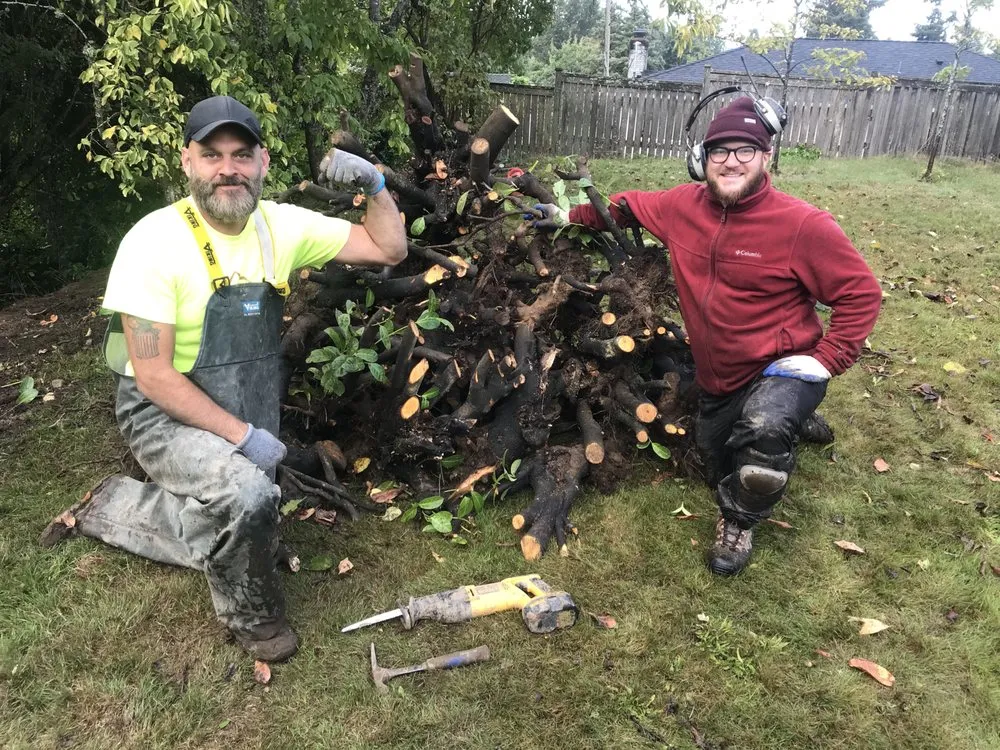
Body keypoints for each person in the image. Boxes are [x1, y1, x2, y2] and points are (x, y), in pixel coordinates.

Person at [39, 95, 407, 660]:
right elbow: (155, 376)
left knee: (249, 511)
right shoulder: (151, 243)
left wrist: (376, 185)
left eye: (240, 154)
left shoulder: (279, 227)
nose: (227, 169)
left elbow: (390, 246)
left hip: (242, 406)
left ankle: (122, 503)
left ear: (262, 161)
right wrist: (242, 439)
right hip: (160, 414)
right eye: (212, 154)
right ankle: (254, 618)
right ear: (188, 162)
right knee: (249, 494)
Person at [533, 96, 882, 576]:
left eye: (745, 150)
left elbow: (861, 293)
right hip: (720, 377)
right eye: (720, 151)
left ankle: (739, 520)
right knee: (715, 462)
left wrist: (827, 358)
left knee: (758, 448)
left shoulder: (802, 225)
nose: (731, 161)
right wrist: (564, 214)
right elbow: (624, 207)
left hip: (783, 366)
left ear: (764, 157)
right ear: (702, 160)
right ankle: (794, 423)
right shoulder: (682, 206)